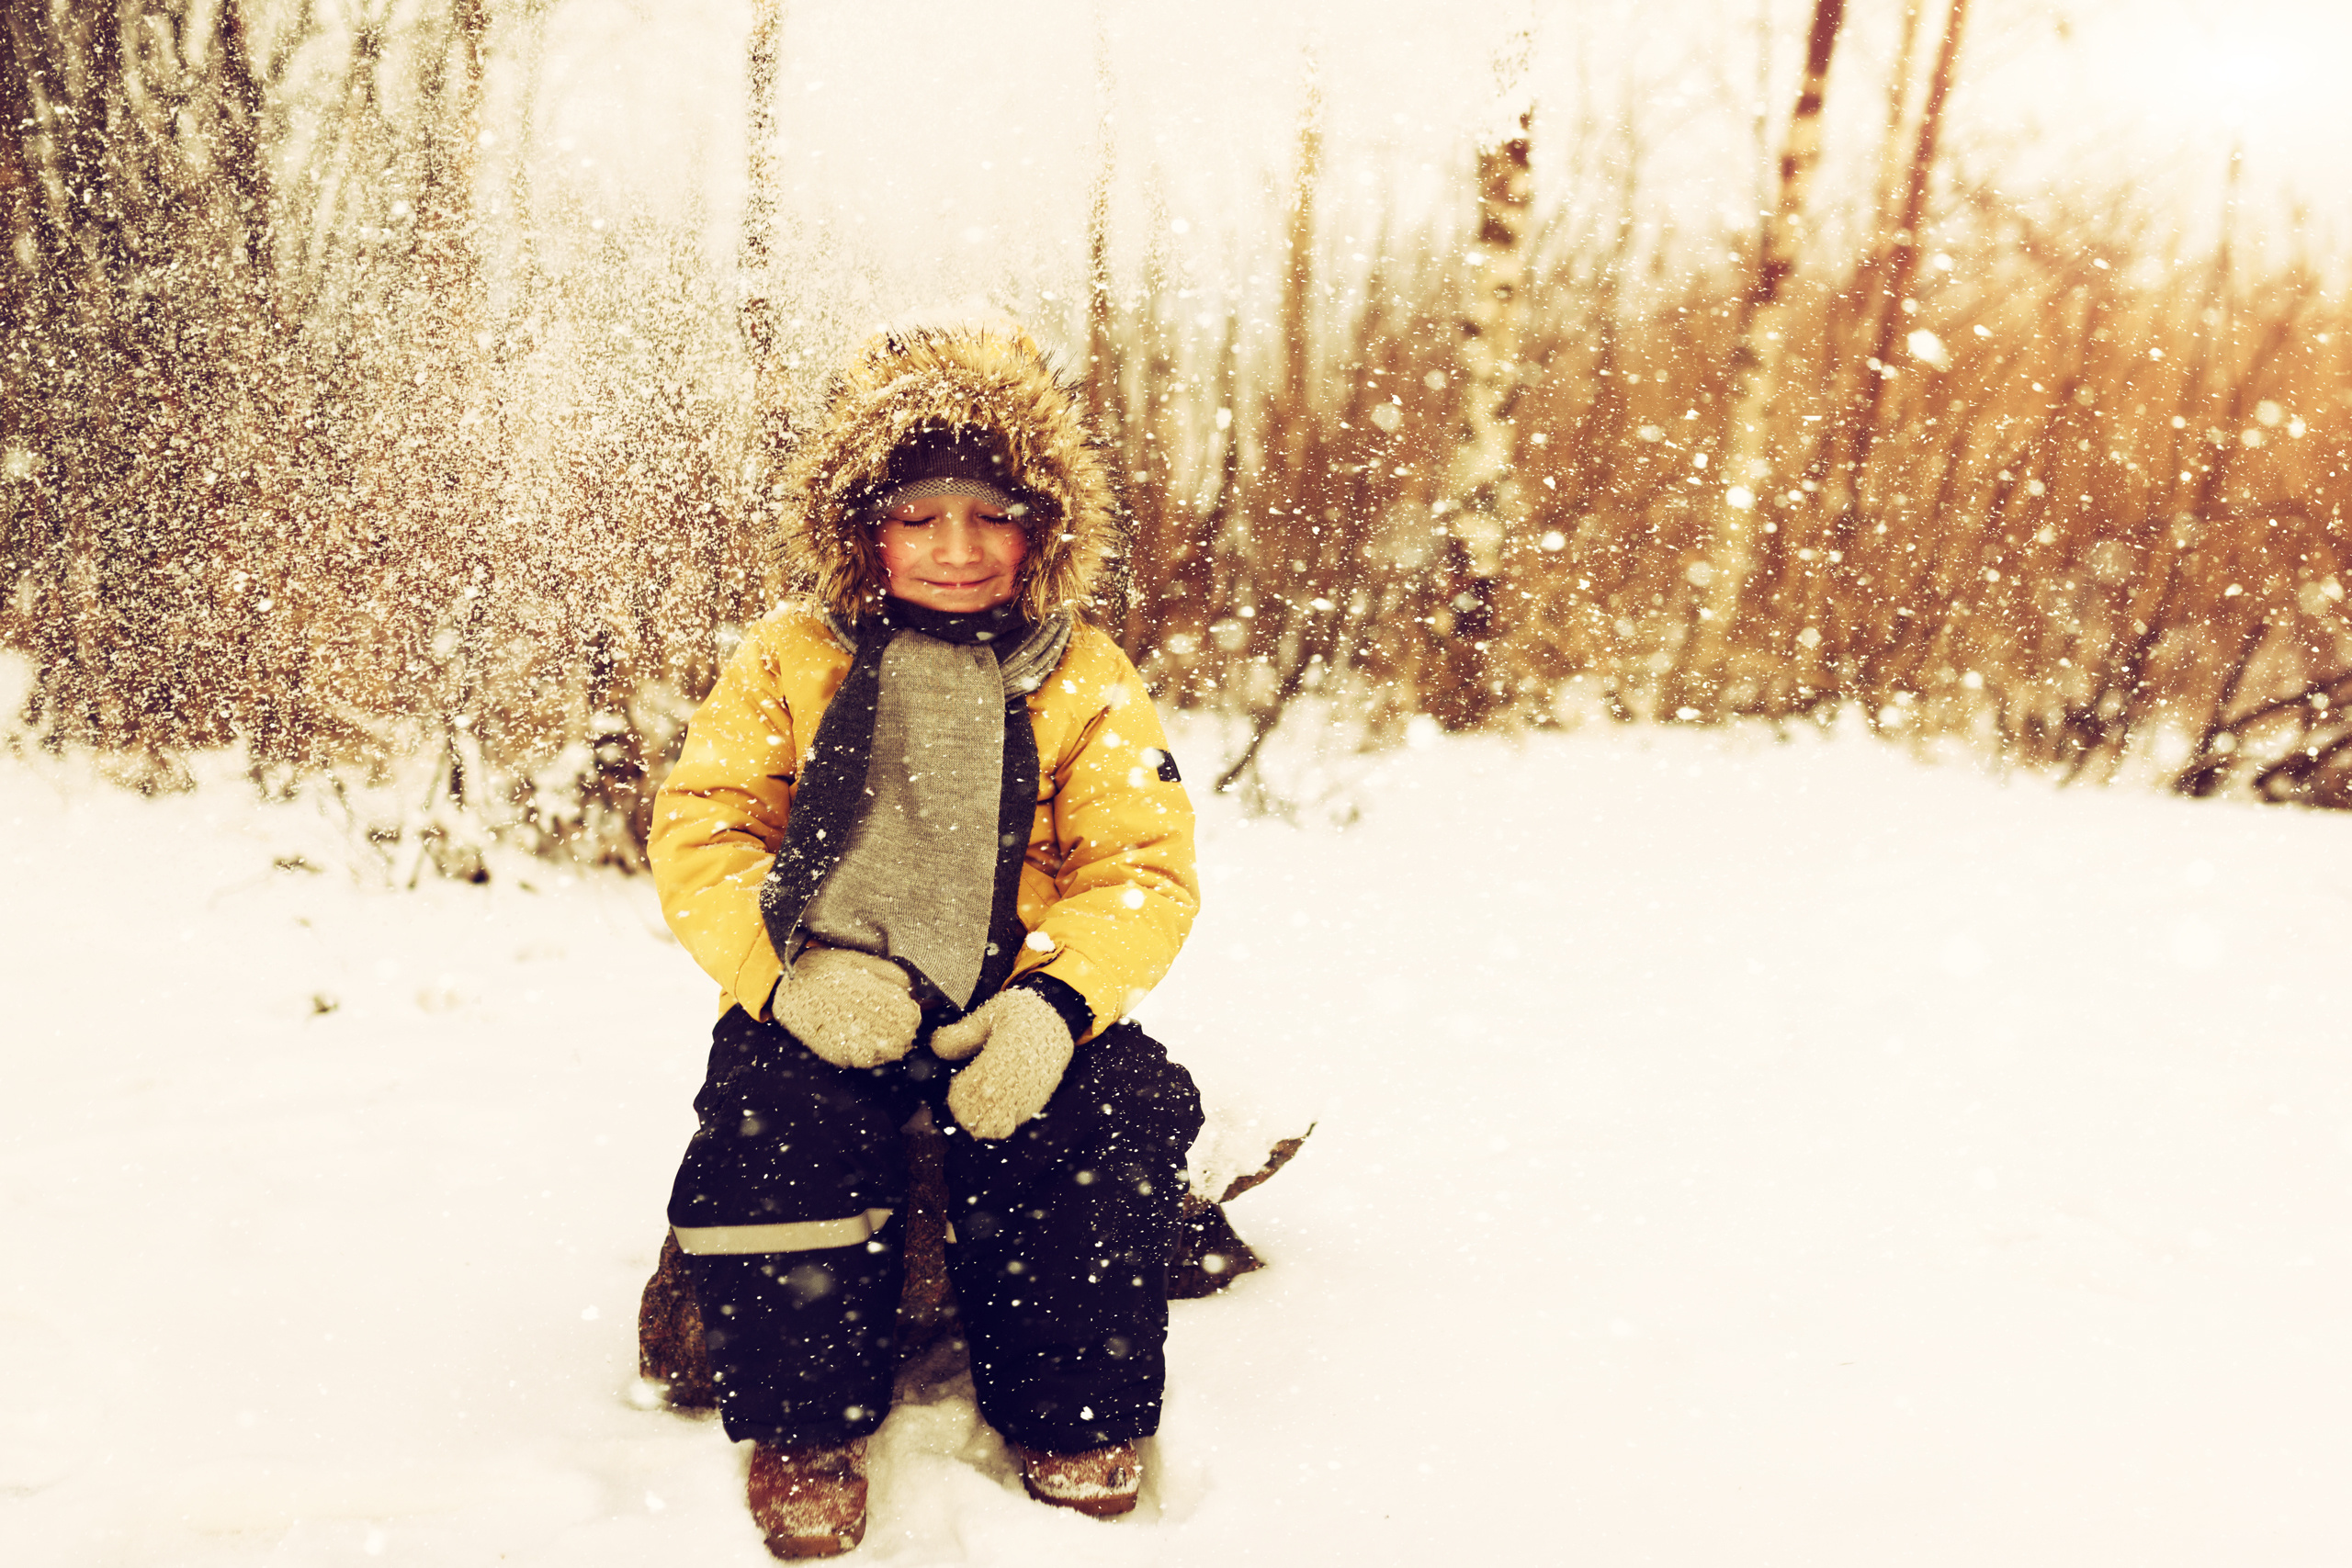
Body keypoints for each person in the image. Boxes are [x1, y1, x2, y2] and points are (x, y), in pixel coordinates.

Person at [648, 323, 1203, 1559]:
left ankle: (1071, 1413)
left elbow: (1140, 868)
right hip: (833, 981)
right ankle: (805, 1419)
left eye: (992, 515)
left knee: (1104, 1123)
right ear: (864, 530)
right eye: (920, 516)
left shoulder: (1087, 675)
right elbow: (706, 835)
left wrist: (1054, 1010)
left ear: (1039, 529)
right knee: (769, 1121)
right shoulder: (791, 661)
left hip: (1012, 996)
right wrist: (793, 978)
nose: (957, 549)